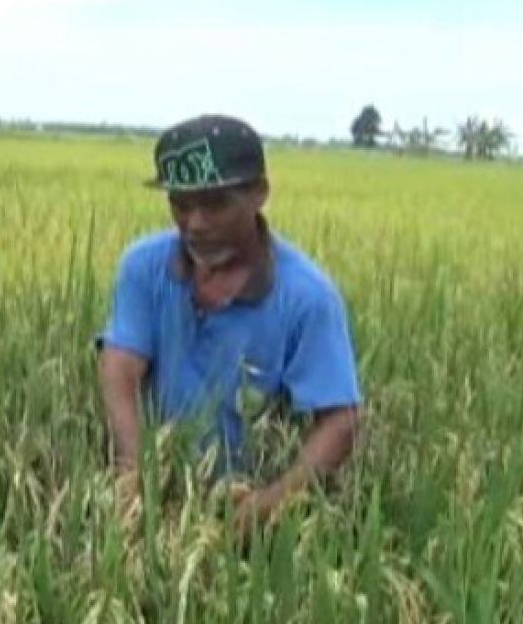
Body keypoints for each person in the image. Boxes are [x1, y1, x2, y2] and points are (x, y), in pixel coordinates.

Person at [97, 115, 361, 532]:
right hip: (157, 486)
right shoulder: (143, 267)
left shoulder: (307, 298)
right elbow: (120, 367)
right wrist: (134, 471)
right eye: (181, 205)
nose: (195, 223)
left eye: (215, 204)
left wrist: (269, 504)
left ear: (259, 194)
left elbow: (339, 423)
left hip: (249, 497)